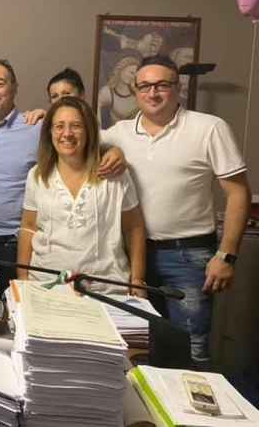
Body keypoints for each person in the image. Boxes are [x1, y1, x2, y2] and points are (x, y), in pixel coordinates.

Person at [101, 55, 251, 367]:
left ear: (177, 87)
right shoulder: (119, 133)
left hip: (188, 257)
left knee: (189, 348)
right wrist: (39, 116)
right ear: (135, 89)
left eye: (161, 85)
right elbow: (73, 138)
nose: (152, 93)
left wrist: (226, 256)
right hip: (133, 255)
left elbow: (238, 193)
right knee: (137, 344)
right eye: (144, 86)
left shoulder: (208, 128)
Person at [0, 58, 125, 292]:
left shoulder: (38, 127)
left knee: (14, 308)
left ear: (15, 88)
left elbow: (80, 145)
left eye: (0, 83)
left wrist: (114, 151)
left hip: (15, 244)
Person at [17, 97, 146, 295]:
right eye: (59, 126)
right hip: (46, 285)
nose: (67, 133)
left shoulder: (114, 174)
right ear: (50, 132)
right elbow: (29, 228)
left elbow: (133, 229)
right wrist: (22, 276)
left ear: (88, 131)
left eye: (76, 126)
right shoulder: (37, 175)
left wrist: (137, 281)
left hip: (107, 288)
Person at [98, 53, 140, 126]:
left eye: (135, 75)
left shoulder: (139, 92)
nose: (133, 77)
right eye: (131, 73)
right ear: (120, 70)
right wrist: (98, 128)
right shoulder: (108, 92)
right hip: (116, 132)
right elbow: (96, 104)